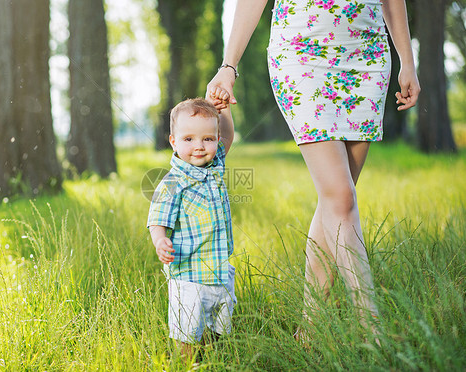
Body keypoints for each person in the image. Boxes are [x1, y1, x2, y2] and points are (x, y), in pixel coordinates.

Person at [207, 0, 420, 341]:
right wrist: (228, 66)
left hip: (367, 58)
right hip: (301, 54)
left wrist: (407, 61)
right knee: (341, 196)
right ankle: (371, 326)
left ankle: (309, 329)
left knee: (335, 202)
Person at [147, 93, 236, 360]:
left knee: (219, 330)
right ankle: (186, 363)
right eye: (189, 139)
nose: (199, 146)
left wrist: (224, 110)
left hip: (220, 270)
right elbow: (157, 219)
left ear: (215, 140)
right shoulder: (173, 183)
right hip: (189, 276)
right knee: (187, 333)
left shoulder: (215, 165)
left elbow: (228, 136)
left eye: (207, 138)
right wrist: (160, 240)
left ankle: (213, 360)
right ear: (174, 142)